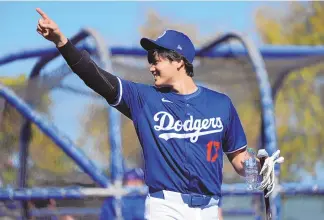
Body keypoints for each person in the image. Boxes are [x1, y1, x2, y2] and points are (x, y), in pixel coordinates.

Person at [35, 8, 284, 220]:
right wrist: (62, 43)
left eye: (156, 59)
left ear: (179, 61)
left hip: (209, 209)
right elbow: (95, 77)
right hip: (165, 207)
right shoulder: (143, 99)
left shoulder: (220, 104)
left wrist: (259, 167)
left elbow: (239, 160)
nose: (151, 66)